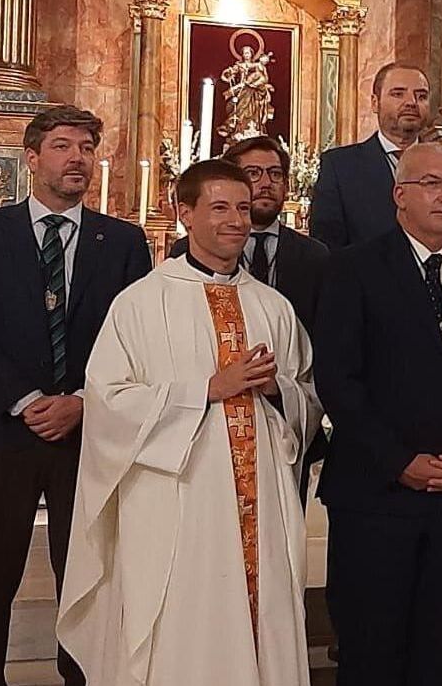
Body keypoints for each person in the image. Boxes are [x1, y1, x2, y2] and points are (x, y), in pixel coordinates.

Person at [57, 160, 321, 685]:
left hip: (261, 501)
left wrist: (277, 390)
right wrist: (205, 391)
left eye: (244, 209)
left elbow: (308, 400)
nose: (237, 221)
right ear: (184, 213)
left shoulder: (273, 306)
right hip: (177, 500)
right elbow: (107, 401)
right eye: (220, 208)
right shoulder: (140, 303)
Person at [0, 105, 151, 686]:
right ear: (32, 158)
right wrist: (27, 399)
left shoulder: (124, 241)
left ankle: (84, 677)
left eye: (86, 147)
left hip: (90, 433)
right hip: (2, 431)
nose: (77, 158)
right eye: (62, 146)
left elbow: (135, 337)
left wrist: (84, 400)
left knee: (86, 576)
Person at [315, 143, 442, 685]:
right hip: (377, 495)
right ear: (399, 196)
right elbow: (339, 381)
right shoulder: (353, 267)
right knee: (373, 651)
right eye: (432, 184)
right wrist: (401, 460)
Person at [168, 136, 331, 496]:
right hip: (196, 447)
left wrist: (277, 388)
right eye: (253, 173)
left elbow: (313, 365)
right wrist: (210, 387)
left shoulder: (314, 260)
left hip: (278, 438)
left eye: (275, 173)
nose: (265, 182)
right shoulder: (169, 278)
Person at [309, 63, 442, 251]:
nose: (411, 102)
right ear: (375, 103)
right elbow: (326, 244)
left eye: (421, 96)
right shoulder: (340, 166)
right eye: (398, 94)